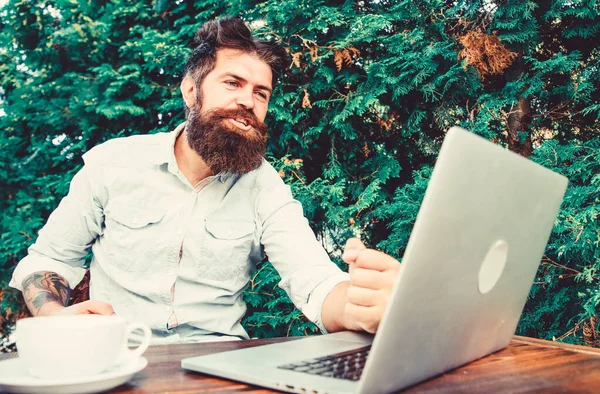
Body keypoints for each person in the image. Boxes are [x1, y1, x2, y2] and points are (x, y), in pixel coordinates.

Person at [9, 17, 400, 344]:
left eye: (260, 93)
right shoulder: (112, 164)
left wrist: (359, 305)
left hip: (221, 368)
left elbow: (315, 282)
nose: (248, 101)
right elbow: (50, 258)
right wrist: (55, 315)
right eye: (233, 83)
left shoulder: (265, 189)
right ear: (191, 91)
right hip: (118, 361)